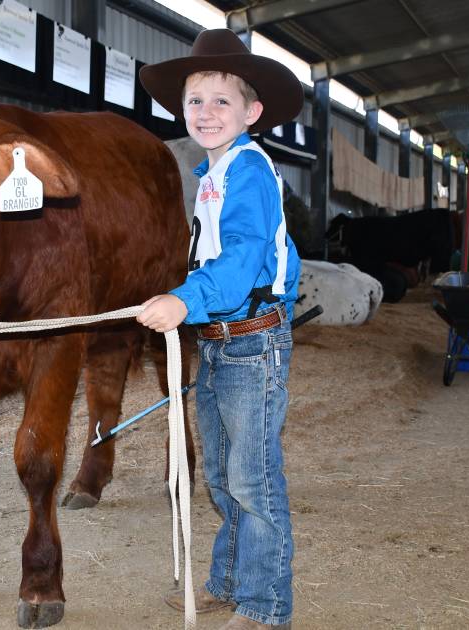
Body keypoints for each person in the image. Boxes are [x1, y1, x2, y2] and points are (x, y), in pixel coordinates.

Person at [137, 29, 303, 630]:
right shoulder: (215, 172)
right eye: (195, 101)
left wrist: (184, 301)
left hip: (253, 343)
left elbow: (237, 267)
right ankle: (230, 582)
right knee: (221, 474)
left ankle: (265, 607)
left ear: (252, 112)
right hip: (221, 342)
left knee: (251, 477)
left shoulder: (250, 171)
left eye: (221, 101)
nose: (205, 113)